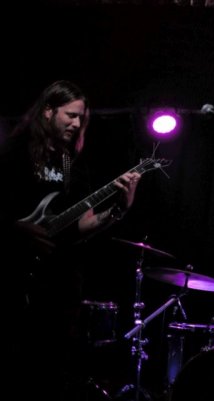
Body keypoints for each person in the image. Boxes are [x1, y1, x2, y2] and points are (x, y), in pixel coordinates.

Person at [0, 80, 141, 399]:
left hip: (60, 286)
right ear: (48, 112)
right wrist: (16, 229)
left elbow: (82, 225)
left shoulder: (72, 163)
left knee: (52, 372)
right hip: (16, 278)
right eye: (71, 115)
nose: (77, 124)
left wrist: (118, 210)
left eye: (82, 118)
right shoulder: (15, 153)